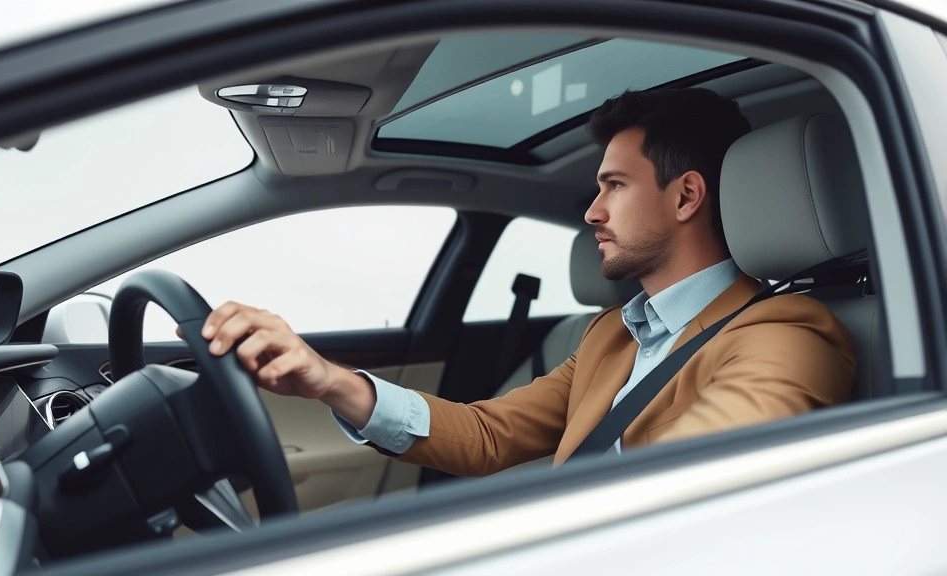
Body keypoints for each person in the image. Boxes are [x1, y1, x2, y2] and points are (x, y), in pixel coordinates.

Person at [192, 88, 856, 476]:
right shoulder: (612, 335)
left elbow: (676, 495)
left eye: (613, 187)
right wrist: (329, 381)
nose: (592, 212)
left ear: (686, 197)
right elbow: (490, 434)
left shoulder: (786, 336)